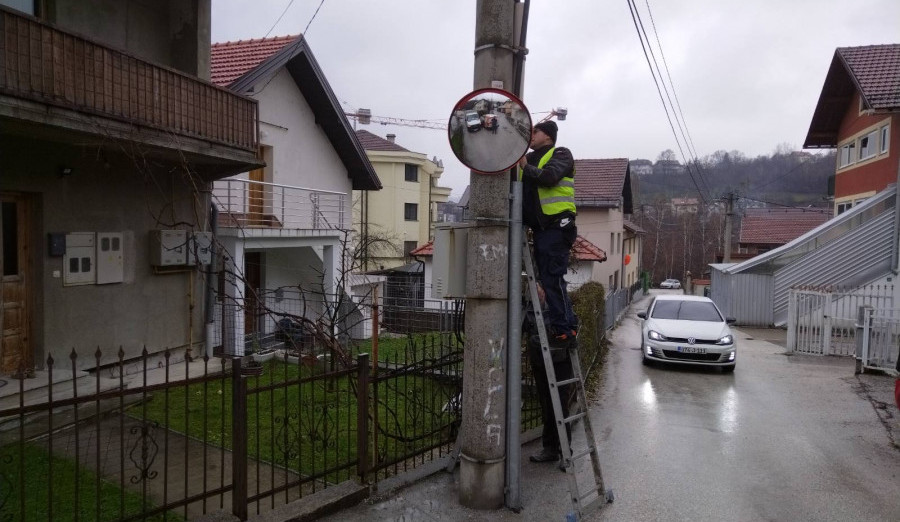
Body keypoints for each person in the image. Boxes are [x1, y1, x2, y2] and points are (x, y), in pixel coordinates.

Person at [516, 120, 578, 348]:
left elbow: (550, 177)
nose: (531, 135)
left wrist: (525, 167)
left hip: (557, 227)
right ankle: (568, 325)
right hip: (541, 230)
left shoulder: (560, 153)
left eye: (536, 131)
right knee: (550, 281)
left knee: (552, 280)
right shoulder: (528, 159)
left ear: (549, 136)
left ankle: (565, 331)